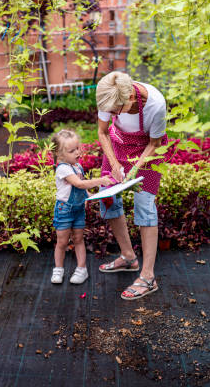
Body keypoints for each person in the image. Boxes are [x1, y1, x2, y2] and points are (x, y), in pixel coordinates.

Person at [95, 71, 168, 300]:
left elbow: (155, 143)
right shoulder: (109, 94)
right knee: (107, 195)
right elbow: (103, 131)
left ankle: (148, 277)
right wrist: (116, 164)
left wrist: (134, 171)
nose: (113, 114)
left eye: (118, 109)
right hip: (118, 145)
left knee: (144, 204)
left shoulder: (155, 105)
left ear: (130, 98)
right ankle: (128, 257)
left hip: (148, 150)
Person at [51, 129, 113, 285]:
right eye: (72, 151)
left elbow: (81, 186)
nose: (77, 152)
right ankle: (58, 268)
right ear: (60, 154)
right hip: (64, 210)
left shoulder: (77, 167)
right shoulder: (63, 168)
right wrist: (101, 181)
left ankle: (82, 269)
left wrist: (89, 195)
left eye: (78, 148)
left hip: (78, 210)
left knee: (78, 239)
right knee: (62, 242)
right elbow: (77, 183)